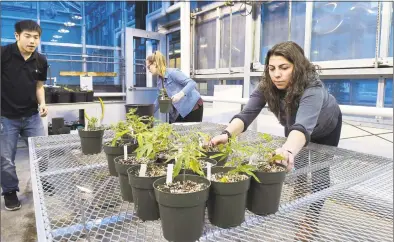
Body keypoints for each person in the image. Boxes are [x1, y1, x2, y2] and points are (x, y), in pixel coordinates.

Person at [210, 41, 342, 239]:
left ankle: (311, 218)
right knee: (297, 155)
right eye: (271, 68)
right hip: (296, 127)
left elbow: (302, 127)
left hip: (325, 128)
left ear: (298, 67)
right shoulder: (268, 85)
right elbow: (247, 113)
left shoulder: (312, 88)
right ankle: (300, 185)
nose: (276, 74)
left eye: (284, 68)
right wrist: (227, 134)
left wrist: (287, 150)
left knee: (319, 170)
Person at [1, 20, 50, 211]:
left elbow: (39, 86)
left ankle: (42, 183)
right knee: (5, 158)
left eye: (36, 37)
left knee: (42, 152)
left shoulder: (41, 60)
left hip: (32, 116)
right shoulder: (3, 54)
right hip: (6, 116)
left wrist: (43, 104)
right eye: (27, 36)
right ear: (17, 36)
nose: (32, 41)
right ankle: (10, 192)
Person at [146, 51, 203, 123]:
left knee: (191, 132)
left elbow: (191, 83)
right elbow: (160, 98)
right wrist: (148, 114)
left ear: (155, 63)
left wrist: (180, 95)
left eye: (148, 67)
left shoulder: (172, 73)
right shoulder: (159, 80)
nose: (148, 70)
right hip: (180, 111)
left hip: (193, 107)